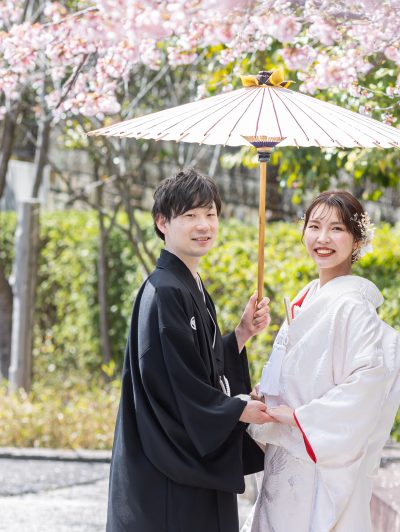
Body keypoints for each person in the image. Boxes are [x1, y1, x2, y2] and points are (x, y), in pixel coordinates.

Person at [106, 168, 272, 532]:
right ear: (162, 222)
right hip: (165, 472)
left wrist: (241, 335)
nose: (204, 226)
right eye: (190, 215)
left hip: (181, 463)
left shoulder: (187, 283)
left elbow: (197, 363)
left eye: (210, 214)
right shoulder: (165, 290)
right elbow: (176, 383)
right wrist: (236, 410)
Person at [243, 190, 400, 532]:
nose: (322, 238)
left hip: (317, 451)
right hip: (288, 449)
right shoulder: (306, 299)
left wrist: (301, 417)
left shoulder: (352, 305)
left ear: (357, 240)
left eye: (337, 229)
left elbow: (368, 381)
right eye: (314, 226)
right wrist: (266, 396)